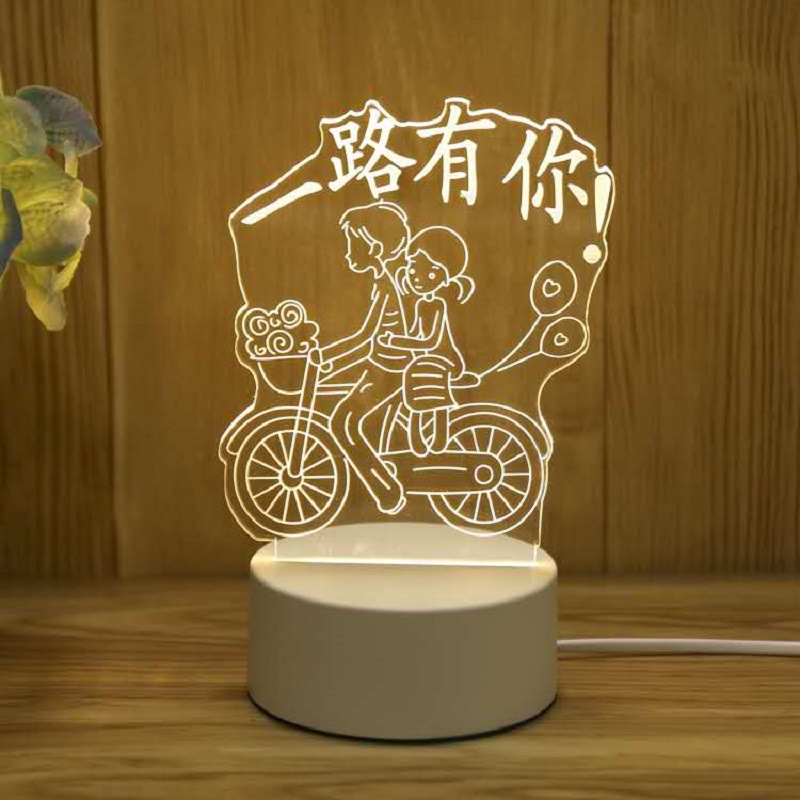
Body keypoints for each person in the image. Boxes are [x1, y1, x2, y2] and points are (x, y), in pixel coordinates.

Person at [320, 201, 412, 514]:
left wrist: (328, 359)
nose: (347, 253)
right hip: (383, 366)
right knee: (358, 423)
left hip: (390, 371)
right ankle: (386, 484)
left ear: (374, 248)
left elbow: (365, 338)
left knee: (343, 421)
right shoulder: (385, 282)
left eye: (352, 244)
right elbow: (368, 342)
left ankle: (386, 490)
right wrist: (333, 361)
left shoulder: (387, 286)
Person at [379, 226, 474, 456]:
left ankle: (438, 436)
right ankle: (418, 438)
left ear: (444, 277)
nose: (417, 278)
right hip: (426, 358)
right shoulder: (421, 304)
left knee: (418, 379)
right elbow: (415, 333)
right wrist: (396, 340)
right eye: (412, 270)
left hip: (442, 359)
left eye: (430, 274)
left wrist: (397, 342)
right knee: (414, 379)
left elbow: (431, 342)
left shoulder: (438, 304)